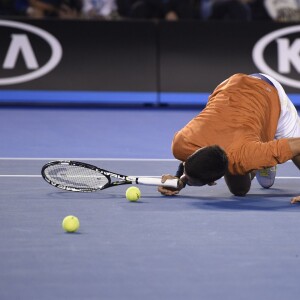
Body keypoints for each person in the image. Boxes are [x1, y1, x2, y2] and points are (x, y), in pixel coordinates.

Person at [158, 73, 300, 204]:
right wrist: (179, 180)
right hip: (229, 88)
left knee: (296, 153)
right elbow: (190, 163)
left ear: (212, 181)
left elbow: (296, 145)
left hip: (267, 91)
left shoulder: (245, 155)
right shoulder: (182, 144)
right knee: (239, 190)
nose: (185, 178)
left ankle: (265, 156)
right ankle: (263, 158)